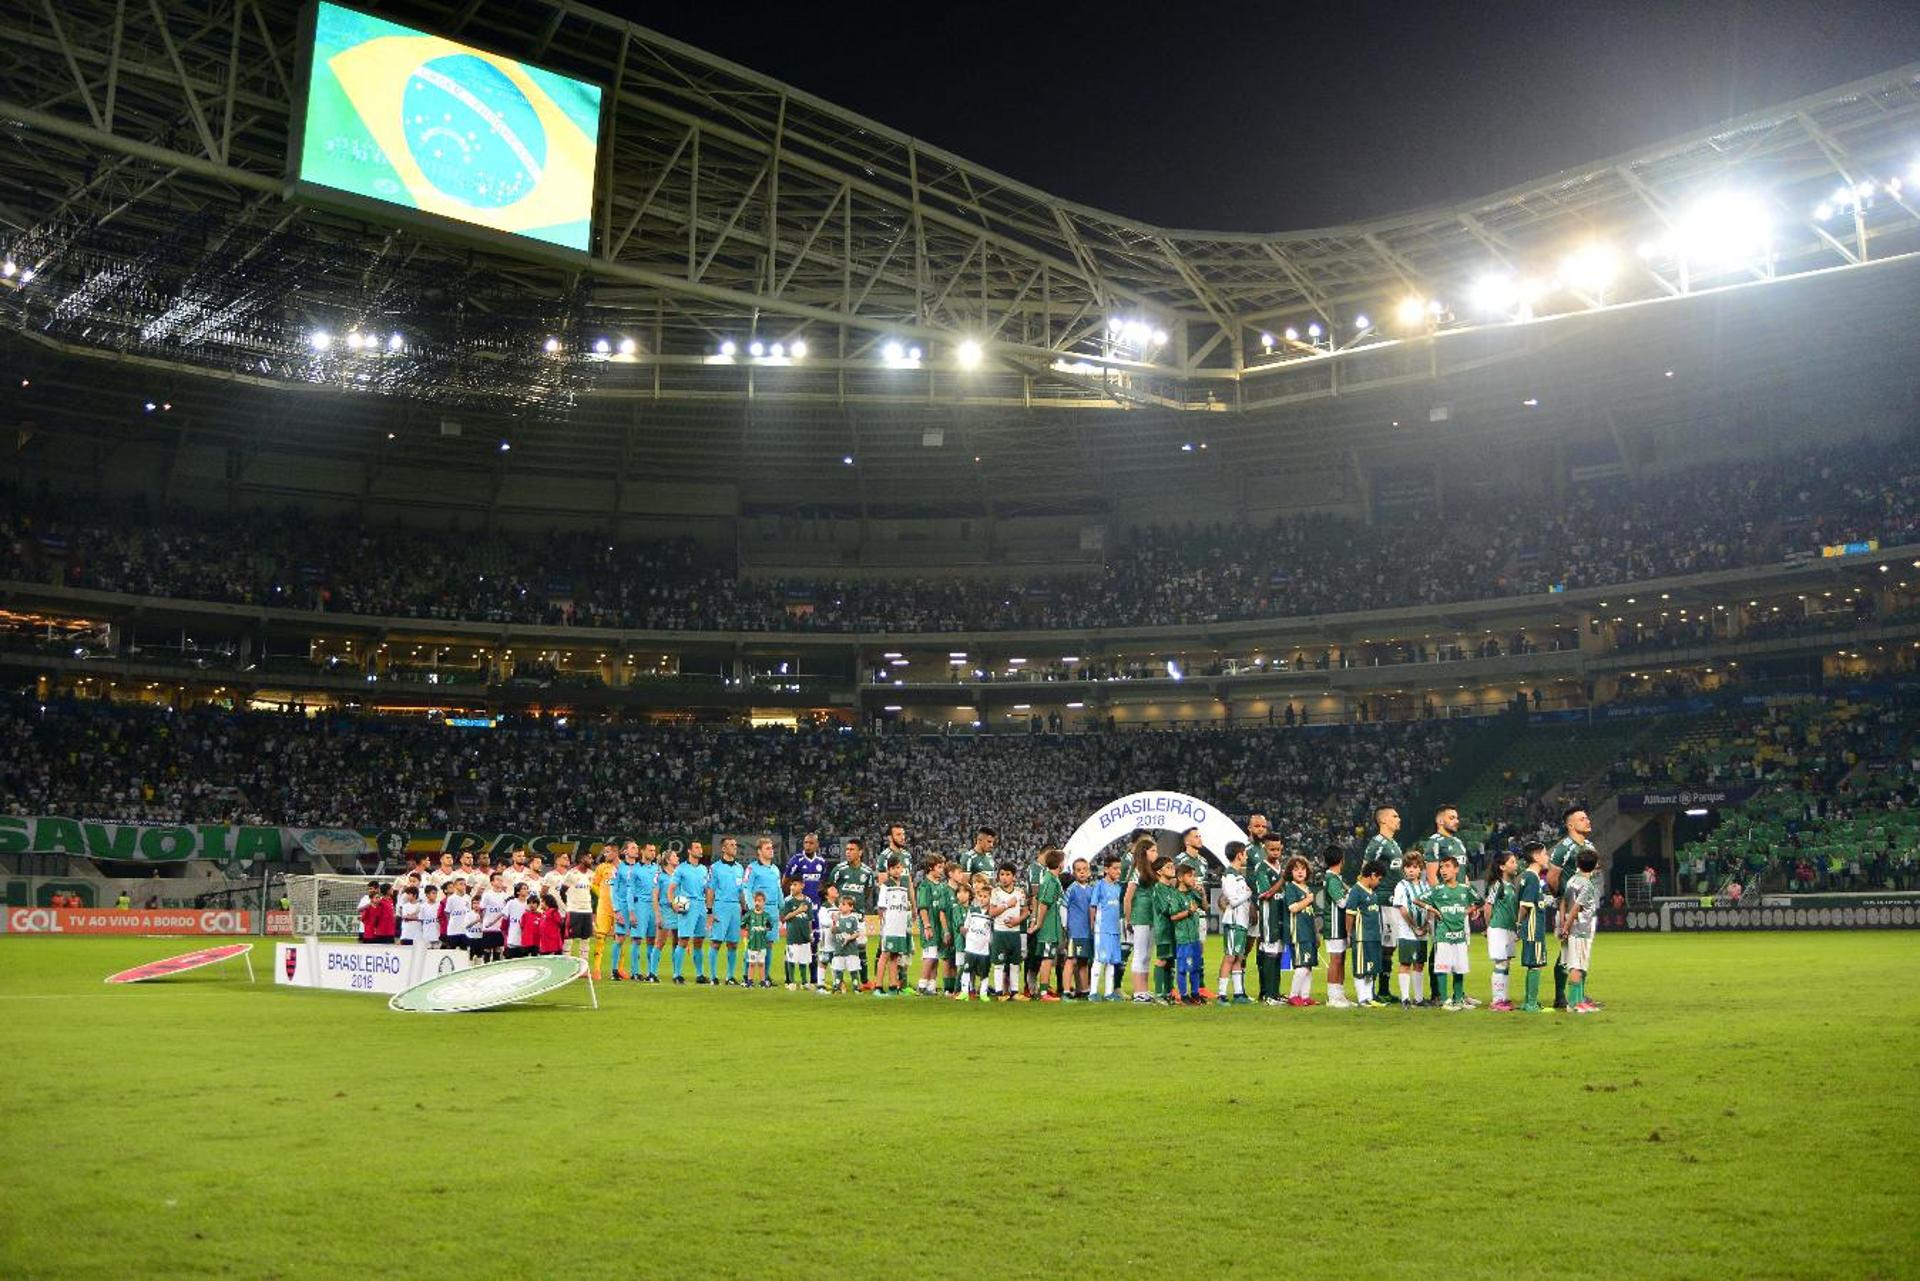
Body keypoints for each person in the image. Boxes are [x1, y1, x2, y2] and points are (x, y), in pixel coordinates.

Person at [1548, 806, 1599, 1010]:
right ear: (1570, 825)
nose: (1587, 821)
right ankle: (1562, 996)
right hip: (1569, 908)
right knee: (1566, 955)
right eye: (1582, 819)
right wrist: (1562, 899)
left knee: (1582, 952)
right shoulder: (1564, 847)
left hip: (1585, 909)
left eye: (1587, 817)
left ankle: (1579, 995)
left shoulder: (1589, 845)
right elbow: (1552, 878)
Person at [1418, 806, 1468, 1004]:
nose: (1456, 820)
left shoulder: (1458, 842)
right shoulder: (1434, 842)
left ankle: (1458, 993)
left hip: (1460, 902)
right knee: (1440, 946)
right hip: (1445, 905)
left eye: (1457, 817)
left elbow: (1464, 873)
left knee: (1459, 945)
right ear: (1440, 821)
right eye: (1452, 817)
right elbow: (1431, 875)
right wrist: (1439, 904)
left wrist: (1468, 900)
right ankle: (1437, 993)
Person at [827, 839, 875, 989]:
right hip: (841, 917)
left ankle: (865, 981)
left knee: (861, 947)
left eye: (852, 849)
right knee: (837, 947)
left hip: (858, 916)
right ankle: (838, 981)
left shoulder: (867, 872)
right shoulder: (839, 870)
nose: (848, 852)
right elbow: (831, 890)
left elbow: (867, 892)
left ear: (860, 852)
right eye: (847, 849)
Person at [1428, 856, 1474, 1010]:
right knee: (1442, 967)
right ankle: (1444, 1000)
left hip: (1460, 935)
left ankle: (1459, 999)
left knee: (1459, 967)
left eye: (1447, 866)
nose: (1443, 870)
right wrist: (1433, 909)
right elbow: (1418, 900)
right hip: (1443, 935)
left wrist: (1467, 911)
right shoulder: (1438, 890)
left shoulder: (1464, 889)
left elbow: (1479, 901)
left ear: (1456, 869)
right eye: (1441, 867)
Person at [1559, 850, 1602, 1013]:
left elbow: (1563, 901)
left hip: (1573, 928)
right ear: (1595, 865)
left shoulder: (1571, 880)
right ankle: (1575, 1003)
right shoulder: (1587, 885)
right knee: (1577, 965)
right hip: (1580, 929)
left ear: (1577, 864)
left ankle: (1578, 1001)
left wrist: (1563, 922)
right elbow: (1576, 907)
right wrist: (1566, 927)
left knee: (1579, 963)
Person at [1364, 806, 1404, 972]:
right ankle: (1377, 988)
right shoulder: (1377, 844)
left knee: (1391, 945)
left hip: (1394, 901)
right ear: (1383, 820)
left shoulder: (1393, 844)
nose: (1398, 819)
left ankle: (1384, 989)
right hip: (1382, 901)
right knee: (1384, 944)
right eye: (1394, 816)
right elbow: (1365, 871)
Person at [1344, 860, 1388, 1007]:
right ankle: (1362, 998)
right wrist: (1349, 934)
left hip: (1374, 937)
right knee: (1361, 969)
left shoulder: (1373, 893)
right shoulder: (1356, 891)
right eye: (1379, 879)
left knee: (1371, 969)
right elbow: (1349, 914)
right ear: (1373, 875)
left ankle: (1369, 998)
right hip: (1362, 937)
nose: (1379, 883)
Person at [1391, 851, 1433, 1008]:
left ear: (1420, 869)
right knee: (1406, 962)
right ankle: (1405, 998)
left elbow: (1429, 907)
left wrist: (1426, 925)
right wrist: (1415, 927)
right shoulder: (1401, 886)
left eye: (1414, 867)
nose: (1410, 870)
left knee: (1420, 963)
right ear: (1404, 869)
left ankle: (1419, 998)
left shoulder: (1425, 886)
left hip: (1422, 930)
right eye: (1408, 867)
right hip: (1407, 931)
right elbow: (1402, 909)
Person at [1515, 840, 1552, 1013]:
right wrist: (1519, 924)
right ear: (1536, 857)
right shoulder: (1531, 877)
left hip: (1531, 927)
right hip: (1533, 927)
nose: (1547, 857)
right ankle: (1531, 1003)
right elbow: (1525, 904)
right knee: (1536, 964)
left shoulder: (1529, 876)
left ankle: (1529, 1002)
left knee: (1533, 964)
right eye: (1545, 853)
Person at [1215, 842, 1253, 1006]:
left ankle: (1238, 994)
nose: (1246, 857)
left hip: (1242, 921)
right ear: (1239, 854)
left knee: (1238, 956)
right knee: (1230, 956)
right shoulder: (1229, 875)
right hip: (1234, 921)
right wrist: (1248, 893)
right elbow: (1232, 900)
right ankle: (1221, 995)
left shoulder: (1237, 874)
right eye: (1244, 853)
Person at [1122, 833, 1159, 1000]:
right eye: (1153, 850)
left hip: (1151, 916)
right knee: (1139, 954)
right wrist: (1128, 919)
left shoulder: (1150, 871)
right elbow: (1128, 898)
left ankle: (1143, 990)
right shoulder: (1137, 870)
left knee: (1147, 955)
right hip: (1140, 916)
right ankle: (1138, 992)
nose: (1156, 854)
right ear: (1144, 852)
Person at [1252, 835, 1289, 1005]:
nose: (1276, 852)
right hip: (1269, 916)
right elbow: (1265, 894)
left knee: (1278, 953)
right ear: (1265, 849)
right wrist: (1282, 878)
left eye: (1279, 849)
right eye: (1272, 849)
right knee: (1270, 952)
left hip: (1281, 915)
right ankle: (1267, 994)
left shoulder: (1281, 866)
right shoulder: (1261, 868)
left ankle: (1275, 992)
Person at [1483, 850, 1520, 1011]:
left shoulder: (1511, 885)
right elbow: (1488, 906)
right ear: (1502, 866)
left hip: (1509, 928)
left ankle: (1503, 998)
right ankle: (1497, 1000)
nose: (1515, 864)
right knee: (1501, 962)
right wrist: (1489, 926)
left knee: (1506, 963)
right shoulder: (1497, 884)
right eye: (1512, 862)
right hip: (1498, 928)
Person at [671, 843, 711, 984]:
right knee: (683, 940)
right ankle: (677, 974)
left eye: (701, 848)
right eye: (697, 848)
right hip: (687, 906)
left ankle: (700, 975)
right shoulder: (681, 868)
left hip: (701, 905)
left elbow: (707, 889)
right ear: (689, 851)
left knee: (699, 941)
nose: (700, 850)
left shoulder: (703, 869)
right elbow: (671, 888)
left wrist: (709, 908)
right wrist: (673, 903)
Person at [709, 837, 747, 986]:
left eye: (735, 845)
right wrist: (710, 911)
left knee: (733, 943)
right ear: (723, 849)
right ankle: (713, 976)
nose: (735, 847)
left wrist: (744, 908)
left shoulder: (739, 868)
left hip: (735, 907)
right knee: (716, 942)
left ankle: (730, 976)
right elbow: (710, 890)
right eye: (731, 845)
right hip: (720, 906)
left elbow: (741, 891)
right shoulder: (715, 867)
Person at [1029, 847, 1065, 1002]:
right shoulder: (1050, 880)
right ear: (1059, 864)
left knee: (1049, 957)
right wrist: (1039, 923)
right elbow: (1043, 903)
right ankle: (1044, 992)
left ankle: (1044, 989)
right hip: (1048, 927)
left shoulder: (1051, 878)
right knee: (1047, 958)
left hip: (1053, 926)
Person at [1282, 856, 1320, 1006]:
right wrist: (1308, 900)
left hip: (1309, 933)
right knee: (1302, 965)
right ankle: (1293, 995)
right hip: (1299, 932)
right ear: (1290, 872)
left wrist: (1316, 934)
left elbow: (1312, 915)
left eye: (1303, 869)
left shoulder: (1307, 889)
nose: (1300, 872)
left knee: (1309, 965)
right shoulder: (1290, 887)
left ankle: (1305, 996)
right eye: (1296, 869)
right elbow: (1292, 907)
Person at [988, 864, 1027, 1001]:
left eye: (1008, 874)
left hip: (1014, 932)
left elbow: (1025, 911)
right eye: (1002, 874)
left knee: (1015, 963)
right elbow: (991, 912)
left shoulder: (1019, 892)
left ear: (1014, 877)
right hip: (1000, 932)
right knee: (999, 963)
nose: (1004, 878)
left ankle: (1015, 992)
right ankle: (999, 993)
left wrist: (1018, 920)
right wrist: (1006, 905)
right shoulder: (995, 892)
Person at [1320, 844, 1352, 1008]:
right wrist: (1352, 894)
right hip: (1332, 925)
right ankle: (1332, 997)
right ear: (1341, 860)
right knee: (1335, 960)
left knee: (1341, 960)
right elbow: (1341, 903)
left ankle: (1340, 995)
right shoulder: (1331, 878)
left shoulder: (1335, 878)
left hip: (1339, 926)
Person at [1090, 856, 1125, 1002]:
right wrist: (1092, 925)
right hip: (1102, 929)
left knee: (1112, 961)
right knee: (1099, 959)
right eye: (1115, 868)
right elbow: (1093, 906)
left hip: (1115, 929)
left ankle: (1108, 993)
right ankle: (1093, 992)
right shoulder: (1100, 885)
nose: (1118, 871)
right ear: (1106, 869)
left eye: (1119, 868)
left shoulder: (1118, 887)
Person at [875, 862, 912, 997]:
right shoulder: (886, 886)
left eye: (898, 868)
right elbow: (881, 906)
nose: (897, 871)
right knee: (884, 955)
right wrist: (883, 924)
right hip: (890, 926)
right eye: (894, 868)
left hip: (899, 927)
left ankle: (893, 986)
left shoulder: (903, 886)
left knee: (895, 956)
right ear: (889, 870)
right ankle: (878, 986)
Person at [914, 854, 950, 996]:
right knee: (930, 956)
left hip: (939, 926)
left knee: (936, 956)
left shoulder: (941, 885)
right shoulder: (924, 885)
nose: (942, 870)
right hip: (930, 925)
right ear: (930, 868)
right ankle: (922, 984)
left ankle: (931, 986)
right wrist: (927, 926)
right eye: (939, 867)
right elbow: (923, 907)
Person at [1062, 857, 1096, 999]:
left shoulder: (1092, 890)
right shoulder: (1072, 889)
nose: (1082, 872)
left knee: (1084, 960)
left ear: (1089, 872)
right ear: (1074, 873)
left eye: (1084, 870)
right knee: (1071, 959)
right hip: (1075, 931)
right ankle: (1066, 990)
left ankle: (1084, 989)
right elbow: (1063, 907)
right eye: (1078, 870)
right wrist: (1065, 926)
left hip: (1087, 931)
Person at [1172, 864, 1205, 1005]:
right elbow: (1173, 916)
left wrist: (1202, 894)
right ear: (1180, 878)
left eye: (1194, 875)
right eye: (1190, 875)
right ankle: (1184, 995)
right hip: (1183, 938)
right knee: (1182, 968)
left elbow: (1205, 907)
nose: (1193, 879)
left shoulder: (1193, 893)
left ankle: (1195, 994)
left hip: (1195, 937)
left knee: (1196, 967)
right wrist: (1188, 912)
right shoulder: (1175, 896)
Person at [959, 883, 993, 1001]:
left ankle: (983, 993)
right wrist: (968, 936)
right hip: (971, 947)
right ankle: (964, 992)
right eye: (980, 896)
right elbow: (966, 926)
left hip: (984, 948)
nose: (982, 899)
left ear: (990, 898)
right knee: (967, 968)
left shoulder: (991, 914)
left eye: (985, 896)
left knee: (984, 972)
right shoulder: (972, 910)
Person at [589, 849, 618, 980]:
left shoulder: (623, 867)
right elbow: (594, 884)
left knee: (619, 939)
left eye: (608, 852)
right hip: (604, 908)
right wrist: (602, 895)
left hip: (619, 909)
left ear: (615, 853)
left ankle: (619, 969)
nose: (605, 854)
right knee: (600, 938)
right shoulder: (601, 867)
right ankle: (596, 970)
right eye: (604, 852)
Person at [780, 878, 813, 990]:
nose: (792, 887)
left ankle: (804, 982)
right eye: (791, 885)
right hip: (793, 935)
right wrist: (798, 911)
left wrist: (810, 933)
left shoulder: (808, 900)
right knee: (792, 959)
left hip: (804, 935)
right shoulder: (788, 900)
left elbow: (809, 919)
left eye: (795, 884)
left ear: (802, 886)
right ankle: (791, 982)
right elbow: (784, 918)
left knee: (804, 960)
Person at [831, 891, 864, 995]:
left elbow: (857, 933)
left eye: (844, 904)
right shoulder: (838, 918)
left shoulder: (853, 918)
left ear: (851, 907)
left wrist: (849, 938)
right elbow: (833, 931)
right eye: (840, 904)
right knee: (838, 969)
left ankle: (856, 987)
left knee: (853, 970)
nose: (841, 906)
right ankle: (837, 987)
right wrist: (834, 923)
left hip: (851, 950)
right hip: (839, 949)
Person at [814, 886, 841, 993]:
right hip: (826, 938)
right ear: (826, 895)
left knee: (835, 960)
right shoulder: (824, 907)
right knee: (824, 960)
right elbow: (824, 922)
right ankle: (820, 985)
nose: (835, 890)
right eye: (832, 889)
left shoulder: (837, 906)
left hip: (836, 938)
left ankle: (836, 984)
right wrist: (834, 921)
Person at [786, 832, 827, 904]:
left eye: (811, 843)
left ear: (817, 844)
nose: (808, 845)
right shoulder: (796, 860)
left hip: (816, 901)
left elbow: (822, 882)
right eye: (806, 842)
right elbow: (785, 881)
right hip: (799, 902)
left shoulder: (821, 862)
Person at [745, 892, 775, 988]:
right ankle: (750, 981)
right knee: (752, 963)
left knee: (762, 963)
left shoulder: (766, 916)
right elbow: (743, 924)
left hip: (762, 944)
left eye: (760, 901)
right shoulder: (750, 914)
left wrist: (764, 928)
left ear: (764, 902)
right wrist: (749, 930)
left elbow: (771, 926)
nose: (757, 903)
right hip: (752, 944)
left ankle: (762, 981)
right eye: (756, 901)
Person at [477, 873, 508, 961]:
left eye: (501, 880)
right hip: (488, 927)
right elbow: (481, 909)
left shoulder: (505, 896)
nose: (500, 882)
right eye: (497, 879)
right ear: (492, 882)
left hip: (500, 927)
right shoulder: (487, 895)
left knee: (498, 948)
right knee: (487, 948)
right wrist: (483, 922)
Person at [419, 884, 443, 948]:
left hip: (437, 935)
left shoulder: (439, 905)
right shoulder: (423, 906)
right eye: (433, 893)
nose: (435, 895)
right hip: (427, 935)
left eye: (436, 893)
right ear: (427, 894)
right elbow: (421, 920)